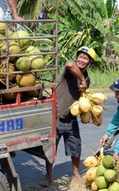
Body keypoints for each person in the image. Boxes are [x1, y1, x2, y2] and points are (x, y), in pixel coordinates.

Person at [41, 46, 97, 187]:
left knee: (76, 146)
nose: (81, 60)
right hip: (57, 116)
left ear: (90, 62)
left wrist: (87, 112)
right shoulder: (70, 70)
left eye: (85, 58)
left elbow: (82, 99)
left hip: (71, 118)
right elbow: (70, 64)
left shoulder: (87, 79)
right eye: (80, 56)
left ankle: (76, 173)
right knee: (51, 148)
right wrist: (82, 80)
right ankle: (48, 176)